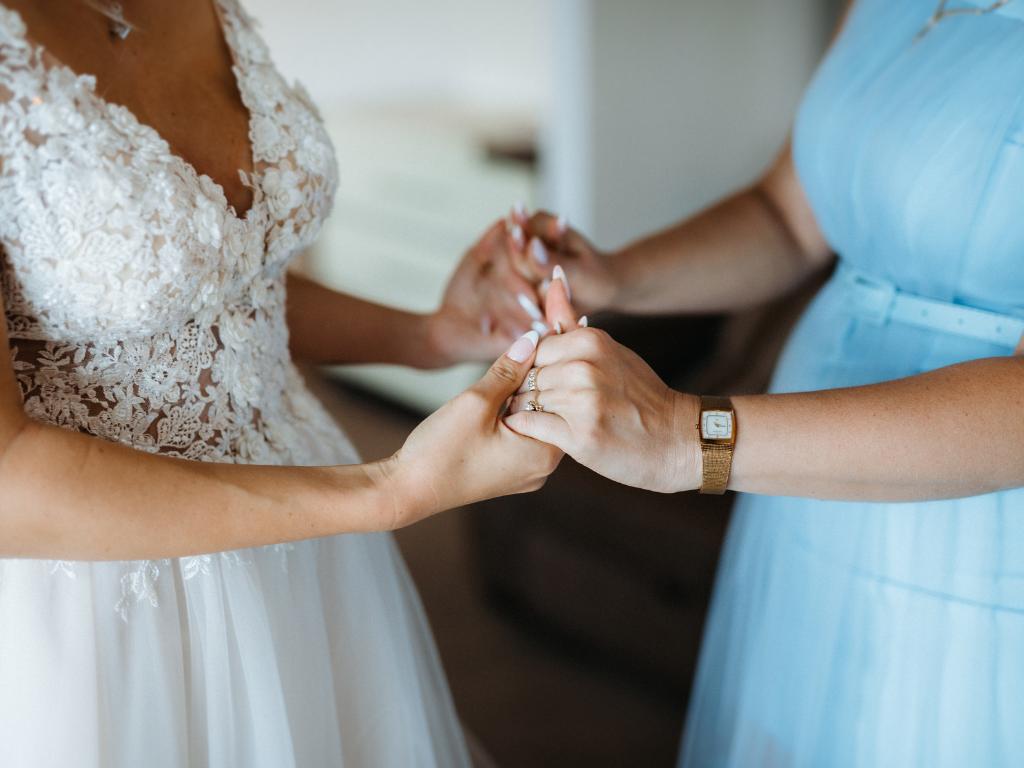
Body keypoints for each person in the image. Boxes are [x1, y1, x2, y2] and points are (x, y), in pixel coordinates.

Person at [0, 1, 563, 765]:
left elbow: (218, 285)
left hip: (311, 548)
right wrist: (391, 492)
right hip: (101, 605)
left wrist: (431, 334)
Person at [504, 0, 1024, 764]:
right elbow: (790, 217)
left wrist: (692, 440)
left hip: (980, 532)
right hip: (810, 493)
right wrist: (614, 277)